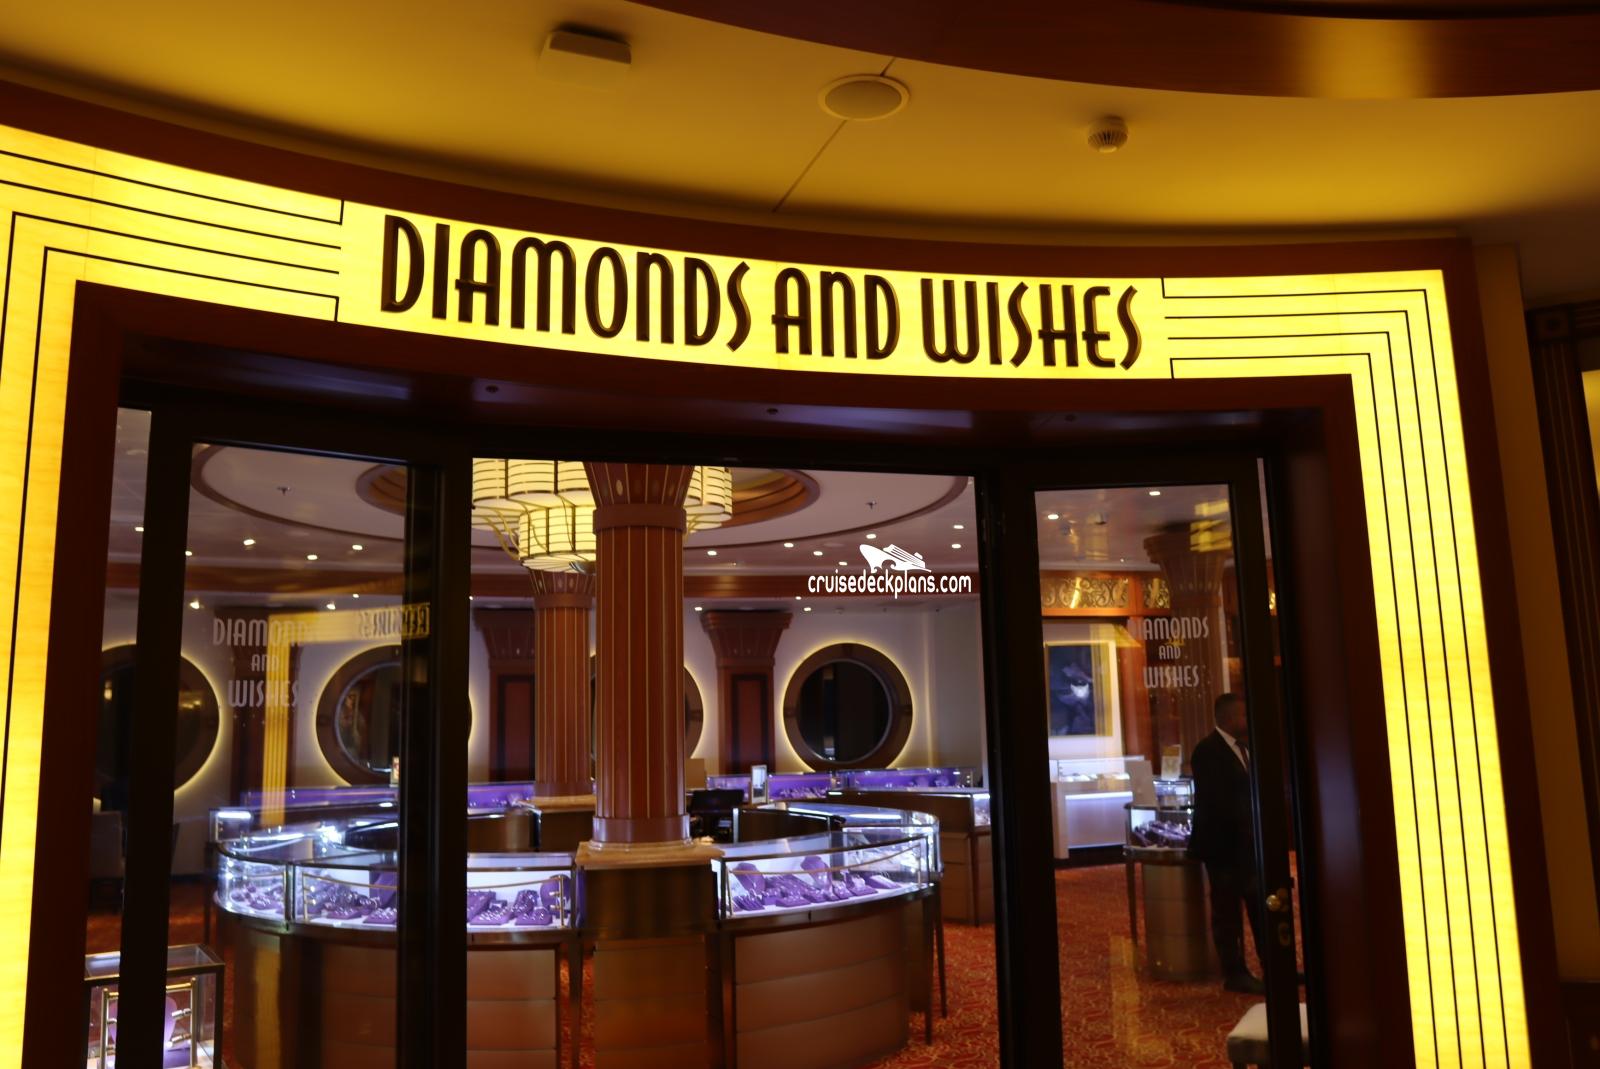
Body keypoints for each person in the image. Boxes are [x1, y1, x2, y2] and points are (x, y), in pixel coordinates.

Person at [1188, 691, 1266, 994]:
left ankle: (1272, 965)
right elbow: (1217, 802)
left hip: (1249, 848)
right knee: (1227, 913)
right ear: (1230, 717)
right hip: (1223, 849)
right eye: (1244, 715)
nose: (1248, 720)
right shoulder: (1207, 751)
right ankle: (1234, 973)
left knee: (1260, 907)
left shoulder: (1245, 748)